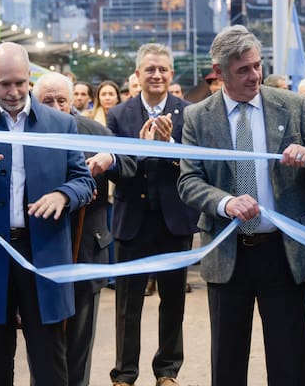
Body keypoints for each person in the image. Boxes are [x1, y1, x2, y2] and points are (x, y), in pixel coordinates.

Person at [177, 24, 305, 386]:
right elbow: (189, 182)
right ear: (218, 73)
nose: (254, 75)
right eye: (243, 70)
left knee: (291, 360)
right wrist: (225, 203)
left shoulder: (291, 105)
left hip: (282, 254)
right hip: (227, 253)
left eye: (257, 65)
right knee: (228, 360)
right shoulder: (197, 117)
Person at [0, 42, 95, 385]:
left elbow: (84, 181)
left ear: (30, 79)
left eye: (20, 83)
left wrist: (63, 194)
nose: (13, 92)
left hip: (43, 254)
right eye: (4, 83)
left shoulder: (60, 124)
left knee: (49, 358)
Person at [32, 72, 135, 386]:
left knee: (79, 339)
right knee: (44, 339)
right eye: (47, 101)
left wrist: (111, 159)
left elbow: (131, 166)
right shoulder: (27, 133)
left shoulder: (94, 130)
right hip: (41, 250)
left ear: (74, 101)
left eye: (61, 100)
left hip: (86, 247)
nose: (56, 106)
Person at [106, 43, 199, 386]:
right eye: (149, 70)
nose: (156, 75)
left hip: (175, 221)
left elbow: (195, 164)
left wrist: (171, 146)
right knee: (128, 303)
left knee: (172, 299)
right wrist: (143, 151)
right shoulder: (118, 115)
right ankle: (125, 373)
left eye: (162, 69)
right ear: (138, 75)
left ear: (171, 74)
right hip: (132, 219)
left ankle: (167, 370)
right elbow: (116, 170)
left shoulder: (189, 113)